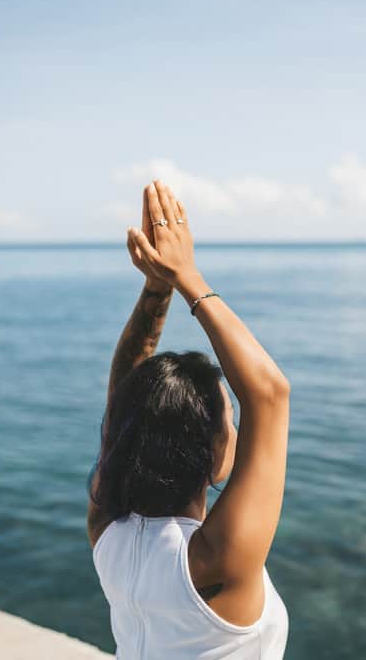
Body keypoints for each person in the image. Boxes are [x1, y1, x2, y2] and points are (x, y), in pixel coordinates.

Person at [86, 180, 291, 659]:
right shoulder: (212, 562)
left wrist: (157, 289)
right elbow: (269, 395)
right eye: (229, 423)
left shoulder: (110, 534)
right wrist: (187, 279)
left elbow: (124, 407)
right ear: (213, 453)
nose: (236, 432)